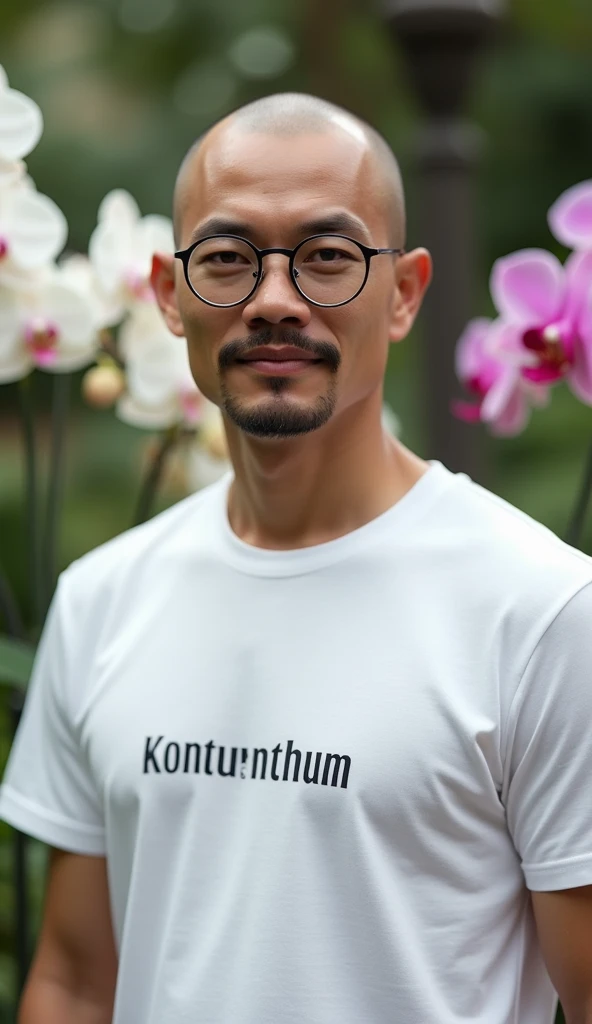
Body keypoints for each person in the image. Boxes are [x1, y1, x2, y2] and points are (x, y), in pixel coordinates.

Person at [1, 91, 592, 1024]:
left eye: (326, 256)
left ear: (402, 293)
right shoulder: (101, 599)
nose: (275, 300)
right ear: (167, 292)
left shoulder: (543, 613)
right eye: (230, 259)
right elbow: (76, 978)